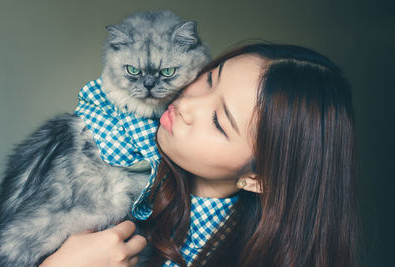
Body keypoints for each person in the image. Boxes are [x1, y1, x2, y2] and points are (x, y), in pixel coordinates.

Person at [40, 42, 358, 267]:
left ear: (258, 178)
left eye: (219, 122)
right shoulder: (123, 146)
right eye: (208, 79)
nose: (187, 105)